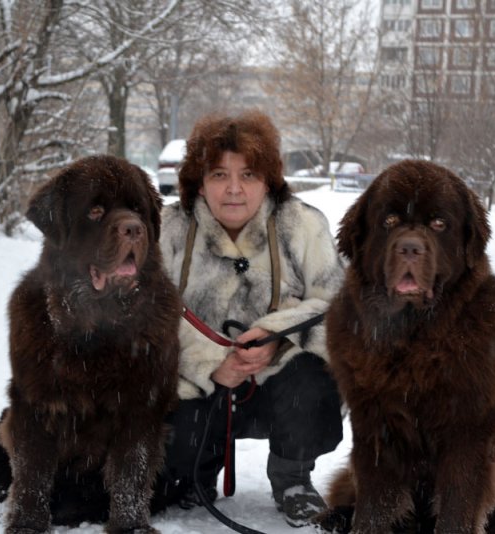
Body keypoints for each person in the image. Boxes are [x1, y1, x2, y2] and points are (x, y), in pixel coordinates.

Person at [153, 110, 344, 528]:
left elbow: (337, 305)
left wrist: (279, 337)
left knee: (313, 381)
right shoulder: (167, 228)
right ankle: (191, 477)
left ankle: (292, 477)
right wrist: (211, 363)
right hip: (196, 383)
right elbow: (149, 314)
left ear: (269, 180)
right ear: (198, 181)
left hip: (277, 384)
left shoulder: (304, 224)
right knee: (170, 430)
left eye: (249, 175)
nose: (234, 190)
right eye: (219, 175)